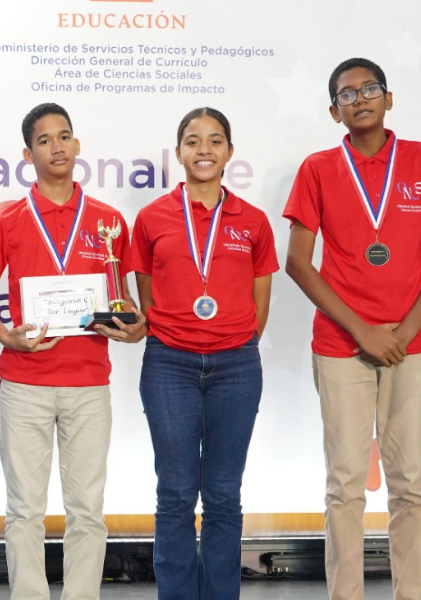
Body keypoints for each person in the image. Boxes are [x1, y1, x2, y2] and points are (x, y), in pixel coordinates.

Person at [282, 58, 421, 600]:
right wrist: (364, 331)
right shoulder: (317, 168)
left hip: (414, 345)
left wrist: (403, 331)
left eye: (370, 89)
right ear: (335, 111)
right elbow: (297, 262)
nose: (360, 99)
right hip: (342, 345)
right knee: (345, 485)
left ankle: (413, 594)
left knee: (410, 484)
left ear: (389, 97)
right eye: (346, 94)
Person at [0, 102, 146, 600]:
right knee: (25, 510)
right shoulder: (6, 220)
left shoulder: (109, 221)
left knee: (87, 510)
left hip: (89, 383)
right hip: (25, 382)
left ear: (78, 145)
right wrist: (5, 335)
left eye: (65, 136)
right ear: (27, 154)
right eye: (45, 140)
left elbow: (128, 303)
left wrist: (135, 329)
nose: (57, 146)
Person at [126, 107, 277, 599]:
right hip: (169, 364)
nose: (205, 150)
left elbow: (260, 302)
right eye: (193, 141)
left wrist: (233, 341)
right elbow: (147, 295)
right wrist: (178, 332)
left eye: (215, 141)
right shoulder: (151, 218)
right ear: (180, 153)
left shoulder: (252, 221)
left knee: (223, 496)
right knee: (174, 495)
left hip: (236, 367)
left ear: (230, 152)